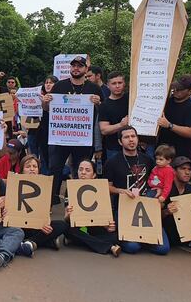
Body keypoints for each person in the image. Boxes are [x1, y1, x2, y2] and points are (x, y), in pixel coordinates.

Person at [44, 55, 103, 204]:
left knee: (80, 171)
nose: (76, 68)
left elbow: (102, 112)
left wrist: (98, 103)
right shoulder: (59, 86)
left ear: (86, 69)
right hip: (60, 137)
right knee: (54, 169)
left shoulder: (94, 88)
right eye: (73, 66)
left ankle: (76, 203)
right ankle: (50, 201)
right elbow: (48, 110)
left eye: (80, 66)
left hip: (83, 138)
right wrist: (45, 103)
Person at [105, 126, 169, 255]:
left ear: (138, 139)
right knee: (132, 248)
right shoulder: (112, 162)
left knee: (163, 249)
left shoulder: (147, 159)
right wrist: (120, 191)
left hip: (146, 208)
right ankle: (138, 239)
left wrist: (158, 187)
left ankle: (144, 239)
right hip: (124, 208)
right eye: (126, 137)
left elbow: (155, 179)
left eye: (133, 136)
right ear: (120, 141)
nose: (131, 140)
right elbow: (106, 187)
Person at [61, 159, 121, 256]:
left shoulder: (101, 188)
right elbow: (66, 219)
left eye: (87, 170)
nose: (83, 172)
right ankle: (109, 247)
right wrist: (68, 214)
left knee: (116, 236)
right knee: (66, 229)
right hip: (78, 227)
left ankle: (81, 241)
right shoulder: (71, 187)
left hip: (95, 226)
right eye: (80, 169)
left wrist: (109, 226)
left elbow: (105, 217)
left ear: (94, 175)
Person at [18, 155, 68, 249]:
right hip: (20, 225)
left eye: (35, 167)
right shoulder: (15, 184)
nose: (32, 169)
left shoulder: (44, 186)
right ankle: (47, 241)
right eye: (28, 167)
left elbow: (46, 212)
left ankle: (29, 242)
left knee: (62, 225)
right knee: (14, 231)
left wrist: (46, 224)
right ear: (22, 170)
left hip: (37, 226)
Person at [156, 75, 191, 158]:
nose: (176, 90)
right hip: (161, 150)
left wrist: (169, 125)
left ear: (190, 91)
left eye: (180, 89)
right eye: (175, 87)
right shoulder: (166, 102)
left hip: (180, 153)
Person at [99, 71, 129, 162]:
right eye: (114, 83)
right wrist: (121, 125)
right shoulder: (104, 105)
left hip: (135, 146)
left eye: (120, 83)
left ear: (124, 84)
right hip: (113, 148)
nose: (117, 86)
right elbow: (104, 130)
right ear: (108, 85)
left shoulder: (131, 98)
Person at [36, 75, 58, 175]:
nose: (48, 84)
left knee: (55, 159)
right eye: (46, 82)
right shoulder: (40, 98)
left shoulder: (60, 97)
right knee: (45, 157)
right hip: (44, 132)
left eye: (51, 82)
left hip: (57, 134)